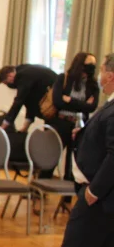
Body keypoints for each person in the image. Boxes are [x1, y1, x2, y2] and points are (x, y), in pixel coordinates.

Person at [56, 53, 114, 247]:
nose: (98, 76)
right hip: (105, 202)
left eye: (100, 71)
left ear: (110, 75)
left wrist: (94, 191)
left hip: (98, 201)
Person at [47, 52, 99, 187]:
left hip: (80, 125)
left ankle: (68, 198)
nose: (92, 67)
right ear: (80, 64)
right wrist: (83, 104)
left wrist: (70, 100)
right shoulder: (63, 78)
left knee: (73, 162)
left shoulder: (92, 85)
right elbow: (58, 101)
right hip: (61, 123)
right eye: (89, 64)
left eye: (93, 65)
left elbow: (92, 107)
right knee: (51, 157)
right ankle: (37, 193)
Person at [0, 63, 57, 130]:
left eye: (6, 82)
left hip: (54, 101)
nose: (7, 85)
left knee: (51, 129)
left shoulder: (23, 76)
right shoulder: (22, 70)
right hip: (50, 94)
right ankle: (25, 127)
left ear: (10, 76)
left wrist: (4, 125)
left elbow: (18, 102)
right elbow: (28, 99)